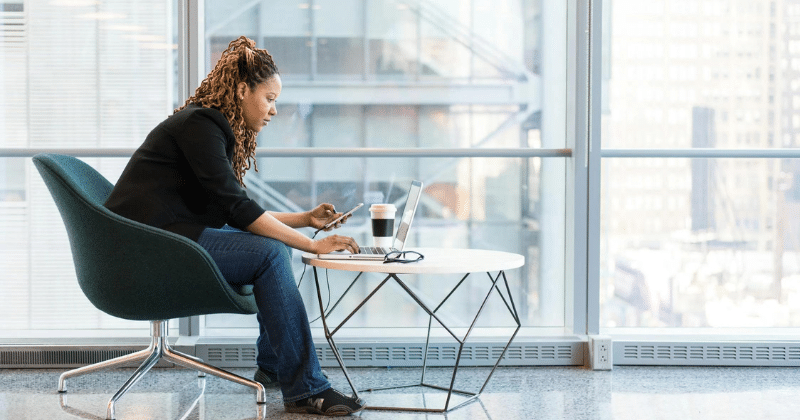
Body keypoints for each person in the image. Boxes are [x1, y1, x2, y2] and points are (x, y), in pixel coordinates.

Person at [104, 36, 365, 416]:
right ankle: (306, 388)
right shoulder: (202, 125)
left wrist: (305, 221)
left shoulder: (206, 126)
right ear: (243, 90)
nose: (274, 110)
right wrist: (311, 244)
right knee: (273, 251)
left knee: (274, 246)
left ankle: (275, 367)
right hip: (145, 246)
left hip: (162, 237)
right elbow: (240, 210)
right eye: (270, 98)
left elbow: (236, 209)